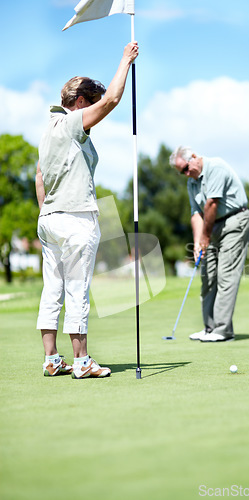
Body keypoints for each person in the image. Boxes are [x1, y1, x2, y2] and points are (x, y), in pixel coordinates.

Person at [35, 42, 139, 378]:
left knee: (53, 288)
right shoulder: (71, 124)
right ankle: (81, 362)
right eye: (90, 105)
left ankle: (52, 359)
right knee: (77, 288)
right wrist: (125, 60)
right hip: (76, 218)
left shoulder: (48, 130)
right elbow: (112, 100)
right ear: (80, 103)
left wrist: (46, 212)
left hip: (50, 219)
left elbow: (39, 176)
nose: (96, 112)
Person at [169, 146, 249, 342]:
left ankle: (223, 330)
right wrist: (198, 242)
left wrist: (205, 237)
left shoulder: (216, 167)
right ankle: (209, 328)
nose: (187, 174)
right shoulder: (192, 183)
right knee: (208, 275)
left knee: (226, 275)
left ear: (195, 157)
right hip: (212, 225)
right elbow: (196, 213)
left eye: (187, 168)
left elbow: (211, 204)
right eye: (182, 172)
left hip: (235, 221)